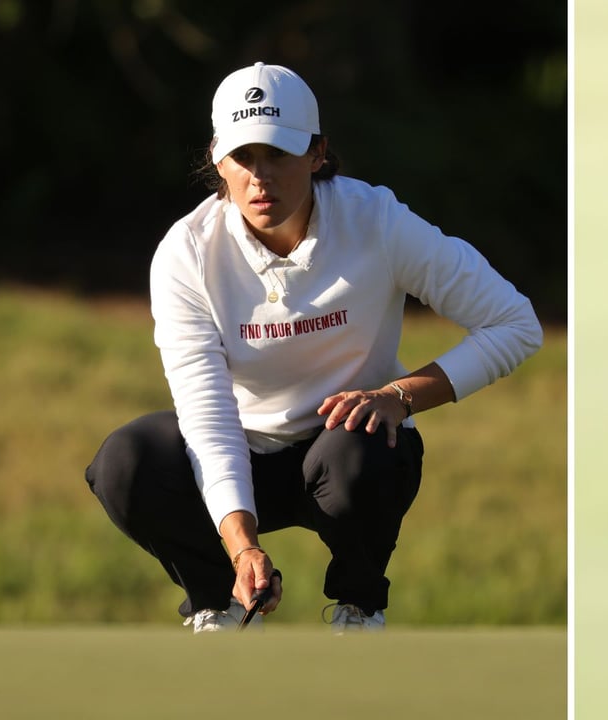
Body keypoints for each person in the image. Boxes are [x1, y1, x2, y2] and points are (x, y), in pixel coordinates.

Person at [85, 62, 542, 633]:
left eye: (278, 154)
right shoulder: (187, 253)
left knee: (363, 445)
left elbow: (514, 323)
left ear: (318, 153)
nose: (260, 177)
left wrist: (400, 396)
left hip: (348, 457)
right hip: (241, 456)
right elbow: (207, 415)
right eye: (243, 157)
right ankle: (218, 604)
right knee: (126, 461)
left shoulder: (376, 221)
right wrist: (243, 548)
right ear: (217, 160)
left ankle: (358, 609)